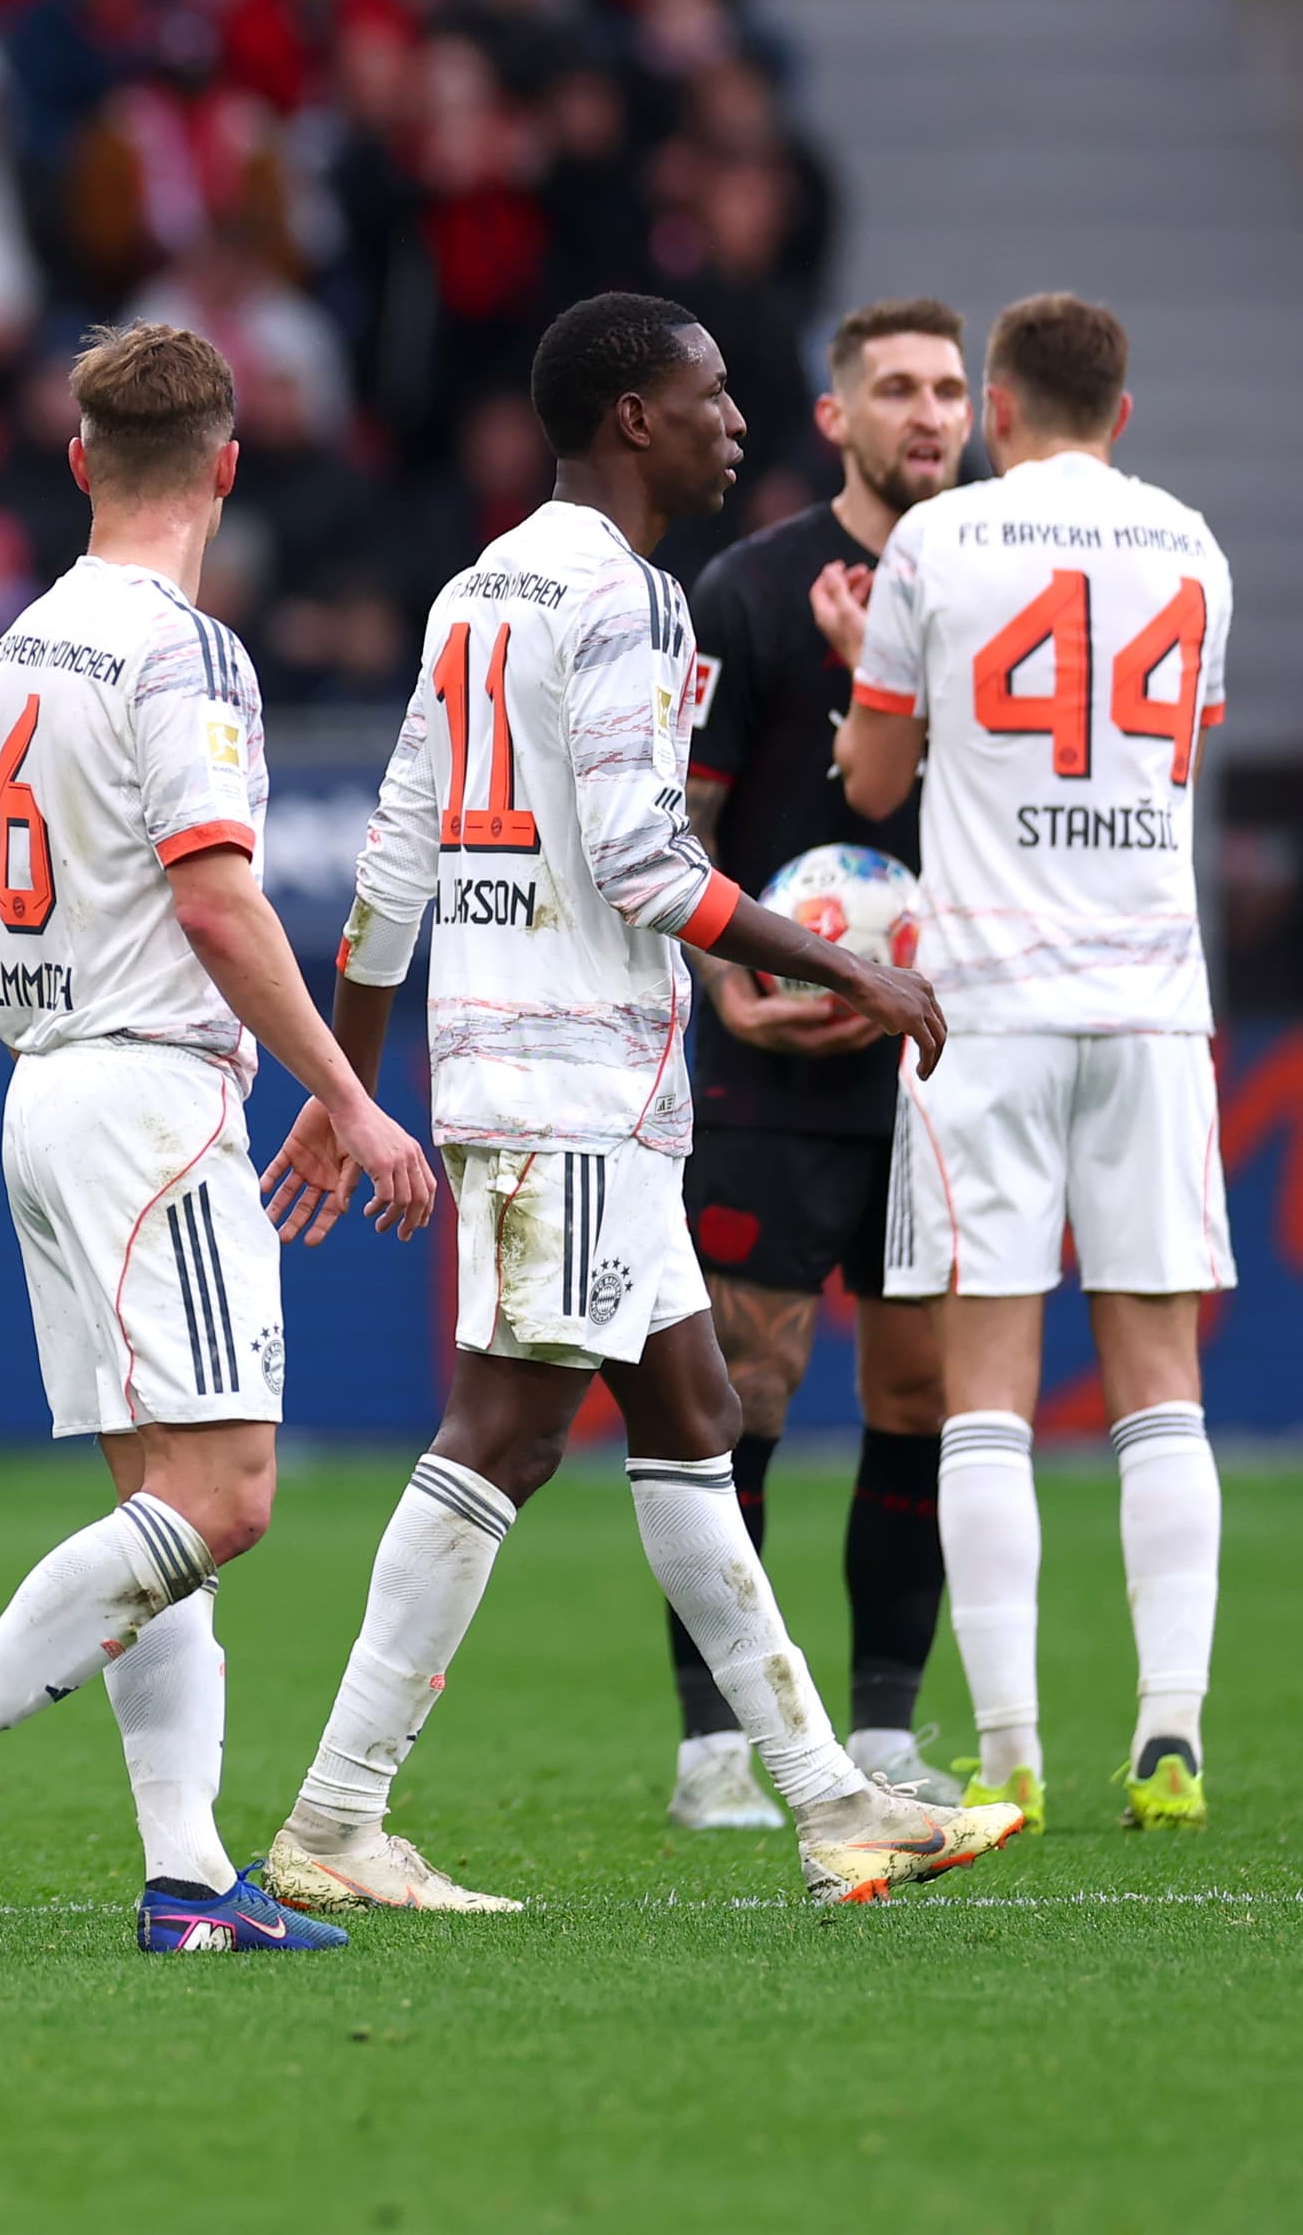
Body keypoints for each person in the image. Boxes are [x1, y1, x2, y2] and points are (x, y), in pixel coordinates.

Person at [252, 292, 1023, 1915]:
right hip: (573, 1078)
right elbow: (644, 858)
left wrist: (352, 1076)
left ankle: (830, 1800)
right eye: (709, 392)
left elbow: (395, 861)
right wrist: (858, 967)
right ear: (631, 420)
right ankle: (333, 1813)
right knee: (507, 1427)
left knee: (691, 1419)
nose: (734, 418)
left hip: (543, 1071)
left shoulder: (477, 589)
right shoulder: (630, 599)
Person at [0, 325, 435, 1960]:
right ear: (227, 466)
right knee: (224, 1497)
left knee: (154, 1500)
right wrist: (349, 1098)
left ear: (82, 461)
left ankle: (186, 1874)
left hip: (44, 1082)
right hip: (153, 1092)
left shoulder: (17, 645)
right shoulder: (186, 652)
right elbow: (218, 893)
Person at [826, 293, 1235, 1837]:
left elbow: (872, 773)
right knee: (1161, 1378)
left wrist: (874, 676)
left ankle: (1007, 1751)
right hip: (1146, 1001)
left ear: (996, 412)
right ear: (1119, 413)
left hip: (983, 1002)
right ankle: (1171, 1734)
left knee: (984, 1386)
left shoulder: (938, 545)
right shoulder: (1194, 545)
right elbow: (1170, 746)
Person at [650, 296, 970, 1831]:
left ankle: (891, 1724)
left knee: (918, 1383)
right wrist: (727, 978)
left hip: (944, 1060)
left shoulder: (997, 587)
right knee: (743, 1382)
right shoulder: (750, 588)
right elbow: (684, 824)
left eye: (952, 389)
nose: (930, 412)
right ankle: (718, 1735)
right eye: (897, 387)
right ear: (836, 415)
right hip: (774, 1056)